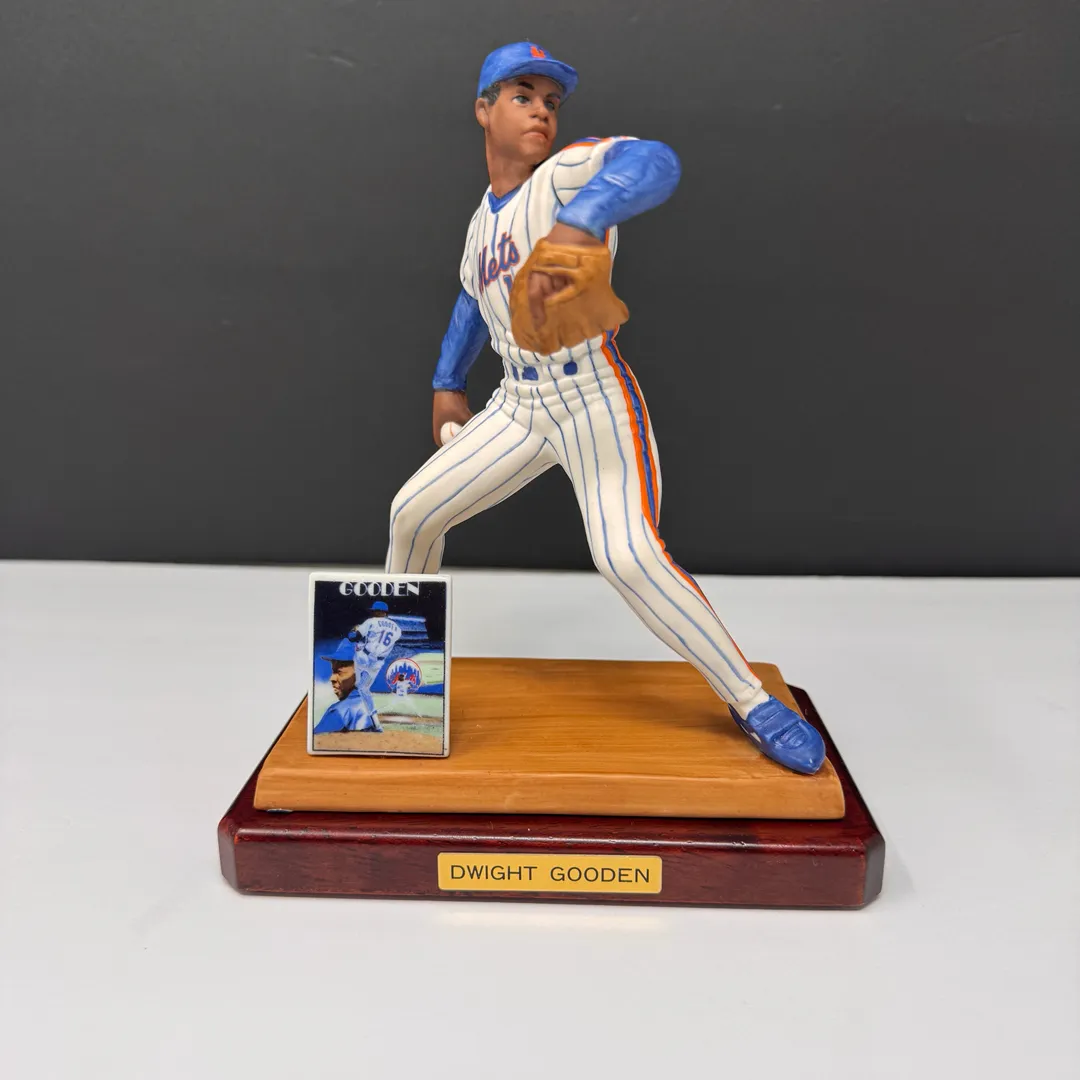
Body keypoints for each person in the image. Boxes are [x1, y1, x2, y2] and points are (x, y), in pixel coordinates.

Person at [384, 42, 825, 774]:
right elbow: (471, 298)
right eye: (522, 96)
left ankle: (753, 701)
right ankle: (398, 685)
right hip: (517, 403)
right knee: (412, 513)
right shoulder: (481, 222)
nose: (541, 111)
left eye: (551, 102)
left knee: (627, 557)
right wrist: (446, 382)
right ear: (483, 110)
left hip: (591, 396)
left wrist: (586, 216)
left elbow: (654, 160)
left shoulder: (562, 178)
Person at [312, 640, 384, 734]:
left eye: (339, 672)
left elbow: (315, 738)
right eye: (333, 671)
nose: (332, 678)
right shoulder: (373, 706)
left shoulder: (339, 711)